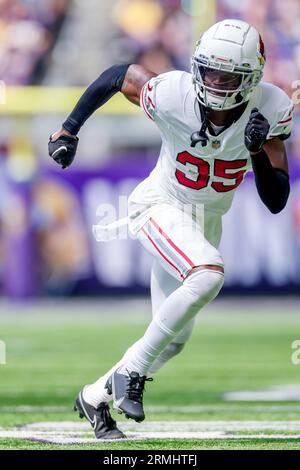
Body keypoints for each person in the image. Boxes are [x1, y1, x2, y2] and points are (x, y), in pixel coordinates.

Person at [49, 19, 293, 440]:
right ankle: (132, 374)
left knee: (174, 340)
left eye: (226, 76)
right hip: (160, 205)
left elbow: (276, 200)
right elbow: (120, 75)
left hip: (204, 221)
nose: (214, 83)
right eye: (208, 71)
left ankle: (93, 397)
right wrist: (68, 129)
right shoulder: (174, 92)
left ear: (249, 78)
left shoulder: (269, 108)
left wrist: (256, 150)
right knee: (209, 273)